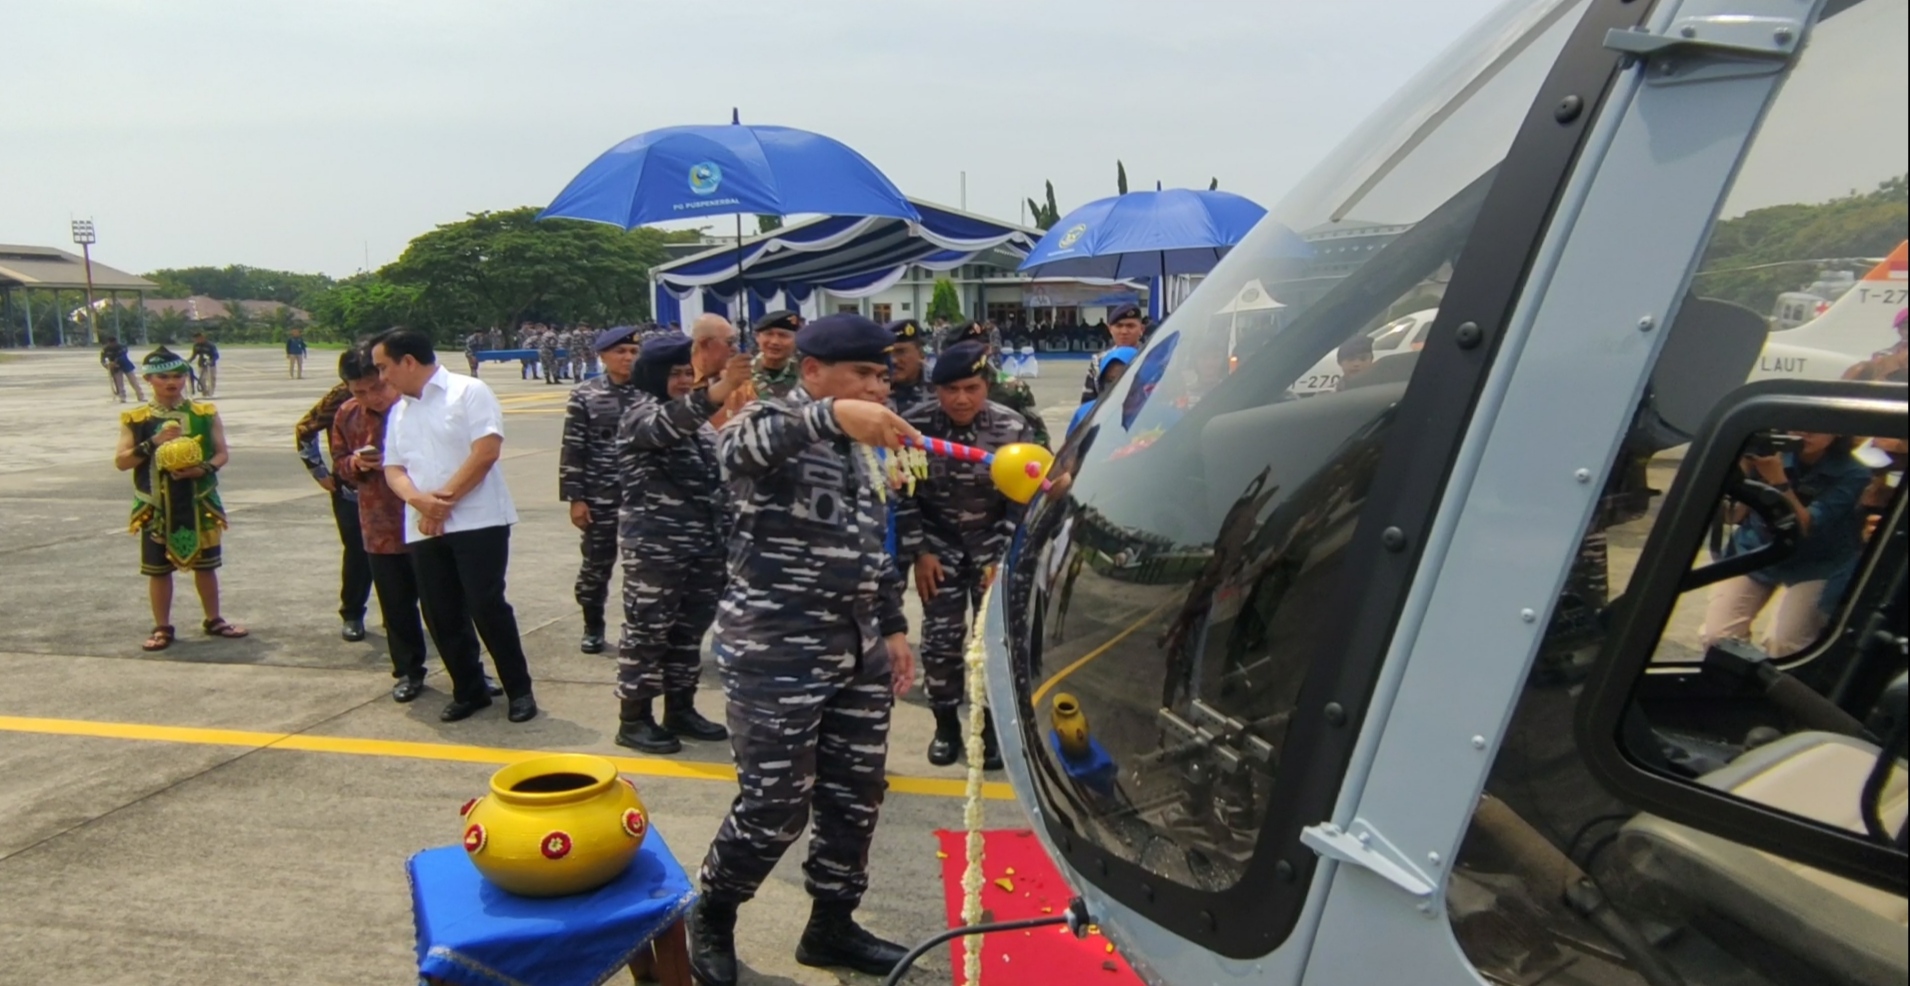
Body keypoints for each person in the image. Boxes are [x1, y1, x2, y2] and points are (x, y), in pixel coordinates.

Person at [687, 313, 920, 986]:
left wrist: (893, 628)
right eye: (863, 374)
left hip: (857, 648)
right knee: (775, 804)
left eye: (883, 376)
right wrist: (833, 415)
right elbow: (736, 450)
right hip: (776, 651)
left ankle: (831, 926)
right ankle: (714, 912)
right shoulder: (768, 423)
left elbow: (873, 547)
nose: (878, 387)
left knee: (856, 796)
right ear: (813, 371)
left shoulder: (865, 447)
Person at [374, 328, 538, 724]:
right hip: (425, 526)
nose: (382, 377)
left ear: (408, 361)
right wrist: (419, 502)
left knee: (486, 606)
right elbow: (393, 468)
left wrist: (440, 503)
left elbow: (486, 452)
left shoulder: (468, 392)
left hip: (479, 520)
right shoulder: (400, 411)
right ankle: (469, 689)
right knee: (440, 611)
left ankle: (518, 690)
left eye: (383, 367)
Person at [610, 330, 753, 753]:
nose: (684, 381)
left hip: (703, 547)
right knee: (648, 633)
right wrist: (721, 389)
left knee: (688, 633)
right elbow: (668, 425)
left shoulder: (699, 422)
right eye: (674, 374)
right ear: (653, 375)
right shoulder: (640, 413)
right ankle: (634, 718)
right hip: (656, 550)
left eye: (687, 374)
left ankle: (680, 708)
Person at [895, 342, 1032, 767]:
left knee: (992, 643)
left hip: (993, 547)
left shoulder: (1011, 427)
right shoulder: (914, 428)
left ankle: (987, 727)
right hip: (938, 551)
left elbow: (1021, 499)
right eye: (950, 389)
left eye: (971, 388)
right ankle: (945, 726)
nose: (961, 399)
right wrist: (920, 552)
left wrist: (1002, 559)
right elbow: (904, 494)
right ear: (935, 389)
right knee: (940, 643)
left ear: (986, 386)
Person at [114, 347, 247, 651]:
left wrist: (202, 469)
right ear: (149, 380)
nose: (172, 382)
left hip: (200, 498)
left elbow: (221, 453)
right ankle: (162, 626)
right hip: (155, 503)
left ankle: (213, 619)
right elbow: (121, 461)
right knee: (158, 570)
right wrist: (152, 442)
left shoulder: (204, 413)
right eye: (163, 377)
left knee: (206, 566)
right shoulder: (137, 418)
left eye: (177, 376)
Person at [329, 347, 440, 703]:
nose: (371, 398)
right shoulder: (348, 414)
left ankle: (467, 670)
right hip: (379, 523)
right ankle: (408, 671)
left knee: (443, 604)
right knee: (396, 605)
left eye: (376, 387)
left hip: (425, 520)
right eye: (359, 391)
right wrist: (355, 464)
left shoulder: (416, 408)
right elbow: (338, 462)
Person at [1699, 432, 1872, 658]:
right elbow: (1732, 517)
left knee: (1784, 644)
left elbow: (1804, 526)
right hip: (1757, 550)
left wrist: (1779, 482)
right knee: (1717, 637)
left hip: (1818, 562)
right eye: (1800, 424)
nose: (1806, 433)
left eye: (1819, 427)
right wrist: (1739, 474)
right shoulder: (1770, 454)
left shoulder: (1853, 472)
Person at [559, 325, 647, 655]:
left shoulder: (651, 393)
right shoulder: (586, 394)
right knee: (596, 567)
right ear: (603, 356)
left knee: (644, 570)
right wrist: (575, 498)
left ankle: (639, 629)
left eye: (634, 352)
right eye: (620, 352)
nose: (628, 357)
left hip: (644, 497)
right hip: (601, 497)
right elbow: (573, 448)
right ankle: (592, 626)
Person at [295, 357, 372, 641]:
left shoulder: (394, 390)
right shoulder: (340, 398)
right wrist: (319, 471)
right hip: (351, 490)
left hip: (395, 491)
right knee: (357, 553)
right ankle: (352, 613)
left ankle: (398, 615)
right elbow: (305, 429)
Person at [945, 320, 1049, 447]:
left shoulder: (1012, 389)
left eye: (974, 350)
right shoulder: (937, 388)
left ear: (988, 350)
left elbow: (1039, 439)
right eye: (961, 351)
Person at [1067, 346, 1138, 438]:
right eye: (1110, 380)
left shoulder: (1151, 412)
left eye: (1123, 379)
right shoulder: (1086, 414)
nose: (1116, 386)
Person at [1080, 304, 1146, 402]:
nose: (1124, 331)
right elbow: (1088, 402)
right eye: (1119, 326)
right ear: (1110, 329)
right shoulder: (1099, 361)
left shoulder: (1153, 357)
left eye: (1130, 326)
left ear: (1141, 329)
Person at [748, 309, 803, 400]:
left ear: (796, 340)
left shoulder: (805, 374)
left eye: (783, 335)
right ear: (757, 337)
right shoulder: (741, 373)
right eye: (769, 334)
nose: (775, 342)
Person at [884, 318, 930, 413]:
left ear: (920, 353)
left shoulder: (941, 385)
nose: (893, 360)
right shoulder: (875, 387)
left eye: (901, 352)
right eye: (887, 354)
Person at [101, 336, 143, 403]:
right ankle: (122, 398)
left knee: (134, 381)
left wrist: (115, 362)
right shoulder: (105, 349)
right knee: (119, 384)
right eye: (110, 343)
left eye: (113, 343)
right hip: (115, 368)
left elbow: (122, 355)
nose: (112, 344)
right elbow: (102, 360)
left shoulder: (122, 347)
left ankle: (141, 397)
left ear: (116, 342)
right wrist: (107, 366)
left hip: (126, 365)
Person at [190, 332, 219, 396]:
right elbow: (194, 355)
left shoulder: (210, 345)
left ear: (202, 338)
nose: (197, 341)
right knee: (202, 379)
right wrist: (188, 361)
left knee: (211, 379)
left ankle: (211, 392)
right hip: (201, 364)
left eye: (198, 339)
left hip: (211, 365)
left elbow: (216, 355)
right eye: (195, 340)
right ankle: (204, 392)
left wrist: (211, 361)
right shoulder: (196, 346)